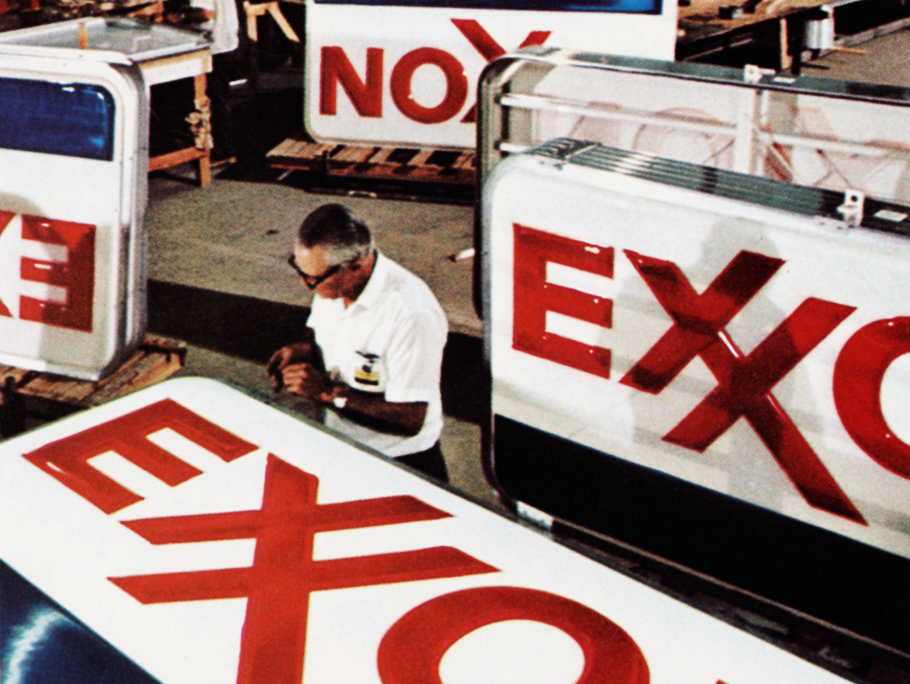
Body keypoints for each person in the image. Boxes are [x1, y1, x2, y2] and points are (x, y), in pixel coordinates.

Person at [267, 204, 450, 483]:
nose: (305, 285)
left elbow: (411, 418)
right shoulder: (332, 285)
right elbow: (321, 333)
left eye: (312, 278)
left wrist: (327, 392)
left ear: (355, 266)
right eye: (298, 269)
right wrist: (304, 352)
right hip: (343, 442)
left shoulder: (410, 313)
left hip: (399, 463)